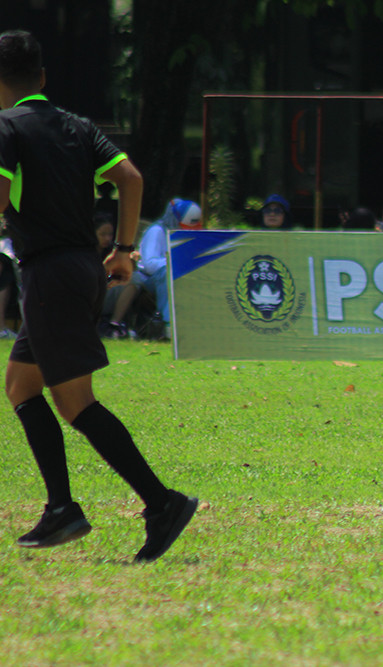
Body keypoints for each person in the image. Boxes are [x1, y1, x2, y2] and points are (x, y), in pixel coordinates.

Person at [0, 30, 197, 561]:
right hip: (83, 269)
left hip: (49, 277)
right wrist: (125, 250)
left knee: (74, 402)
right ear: (42, 78)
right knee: (20, 385)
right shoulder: (79, 126)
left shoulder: (5, 129)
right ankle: (61, 507)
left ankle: (162, 503)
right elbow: (130, 177)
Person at [126, 197, 202, 334]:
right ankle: (169, 324)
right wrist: (176, 261)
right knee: (166, 272)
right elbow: (149, 265)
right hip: (148, 279)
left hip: (178, 274)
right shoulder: (157, 231)